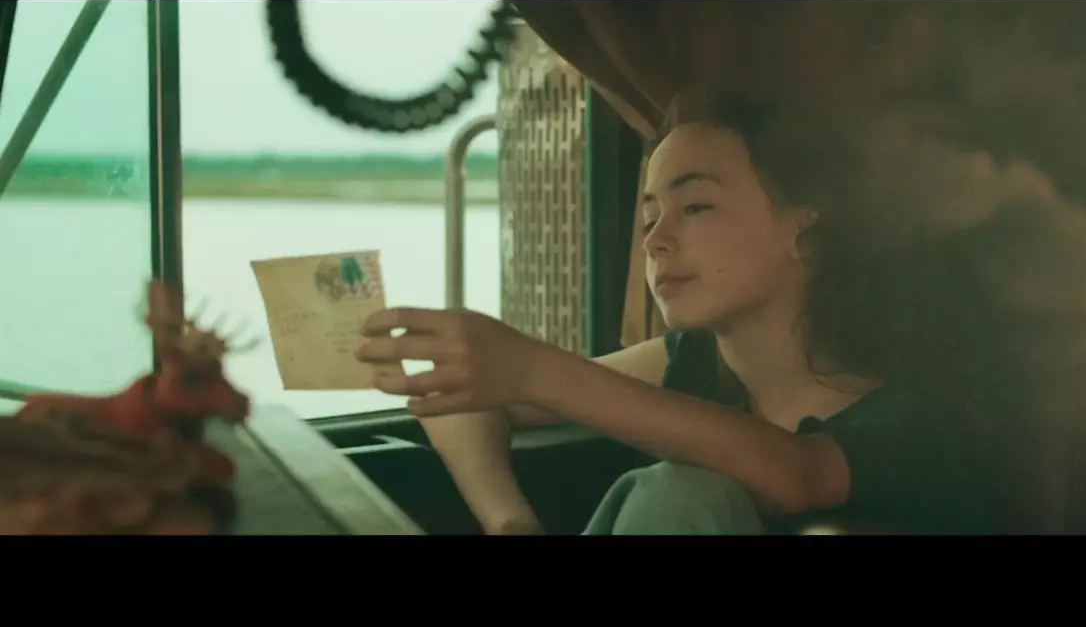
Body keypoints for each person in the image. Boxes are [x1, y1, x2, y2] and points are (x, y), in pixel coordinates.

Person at [355, 87, 991, 535]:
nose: (656, 240)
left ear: (807, 230)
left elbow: (795, 474)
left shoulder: (915, 418)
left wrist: (531, 368)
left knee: (686, 491)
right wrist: (510, 520)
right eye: (649, 216)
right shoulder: (686, 361)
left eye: (696, 207)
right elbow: (459, 400)